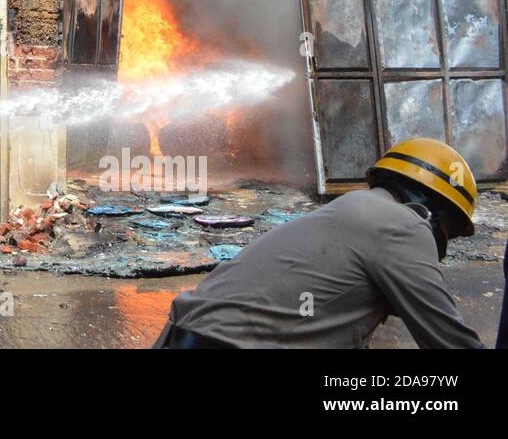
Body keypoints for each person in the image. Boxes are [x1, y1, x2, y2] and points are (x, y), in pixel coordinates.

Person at [154, 137, 484, 349]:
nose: (442, 247)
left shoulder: (350, 210)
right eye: (449, 232)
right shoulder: (405, 226)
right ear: (429, 209)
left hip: (179, 337)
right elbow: (449, 340)